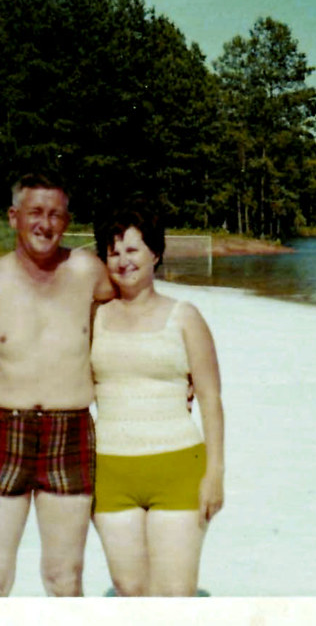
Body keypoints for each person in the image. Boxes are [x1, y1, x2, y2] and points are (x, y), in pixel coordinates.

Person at [0, 173, 114, 597]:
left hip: (71, 431)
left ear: (67, 220)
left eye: (56, 215)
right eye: (35, 213)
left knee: (64, 578)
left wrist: (179, 374)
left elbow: (139, 312)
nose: (45, 224)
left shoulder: (87, 271)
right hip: (4, 433)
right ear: (13, 217)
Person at [89, 203, 225, 597]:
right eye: (112, 252)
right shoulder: (92, 318)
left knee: (176, 594)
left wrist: (215, 472)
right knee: (130, 589)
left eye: (133, 249)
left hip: (179, 468)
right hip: (110, 472)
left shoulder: (185, 317)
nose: (123, 261)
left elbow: (211, 399)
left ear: (156, 253)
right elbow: (68, 379)